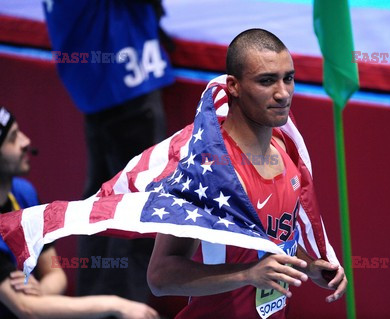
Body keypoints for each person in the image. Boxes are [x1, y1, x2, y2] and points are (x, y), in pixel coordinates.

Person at [146, 29, 347, 319]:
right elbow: (160, 276)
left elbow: (274, 243)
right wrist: (247, 274)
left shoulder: (285, 149)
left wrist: (308, 266)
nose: (282, 93)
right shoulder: (208, 168)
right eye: (266, 81)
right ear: (234, 86)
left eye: (288, 78)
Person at [42, 0, 175, 302]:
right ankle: (122, 304)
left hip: (100, 85)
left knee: (101, 202)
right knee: (136, 206)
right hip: (124, 85)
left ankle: (97, 301)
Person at [0, 106, 160, 319]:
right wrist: (118, 305)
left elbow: (55, 273)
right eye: (12, 138)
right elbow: (26, 309)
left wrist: (39, 292)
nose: (26, 141)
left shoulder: (23, 193)